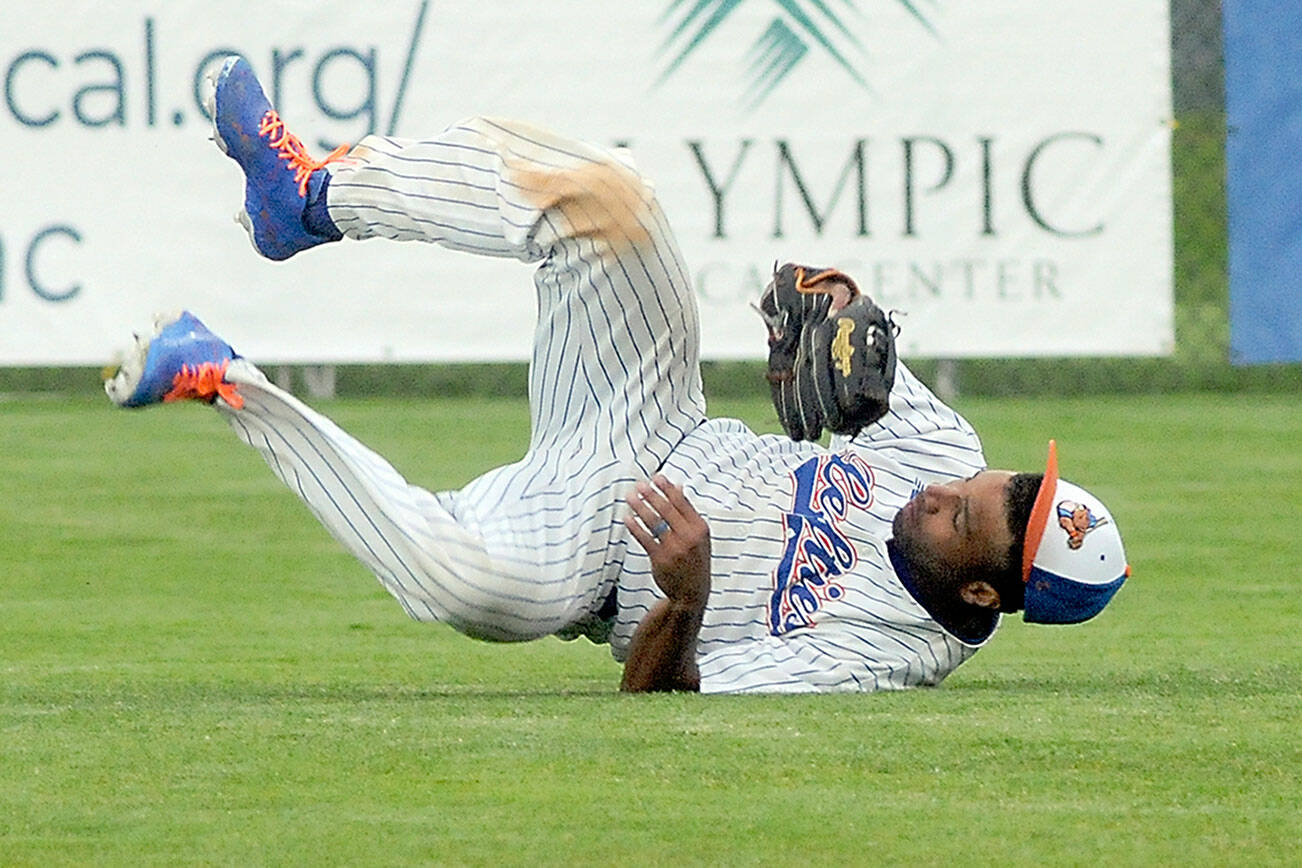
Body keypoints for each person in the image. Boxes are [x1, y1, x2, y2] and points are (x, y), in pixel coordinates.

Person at [105, 56, 1130, 693]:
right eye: (999, 484)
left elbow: (664, 697)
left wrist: (684, 598)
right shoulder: (945, 457)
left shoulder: (880, 650)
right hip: (658, 419)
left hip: (597, 556)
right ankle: (312, 198)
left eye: (970, 519)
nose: (953, 490)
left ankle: (220, 376)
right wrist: (817, 306)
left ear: (985, 587)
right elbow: (833, 323)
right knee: (612, 198)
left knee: (463, 581)